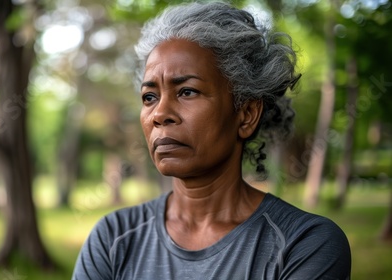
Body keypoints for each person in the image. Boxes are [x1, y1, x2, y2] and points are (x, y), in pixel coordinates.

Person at [72, 2, 351, 279]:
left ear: (246, 114)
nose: (160, 114)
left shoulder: (303, 244)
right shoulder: (113, 239)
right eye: (149, 97)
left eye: (187, 92)